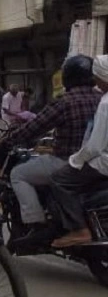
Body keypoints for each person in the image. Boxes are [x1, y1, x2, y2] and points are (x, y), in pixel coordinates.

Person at [0, 55, 100, 244]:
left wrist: (4, 141)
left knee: (18, 174)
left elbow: (33, 127)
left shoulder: (65, 102)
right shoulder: (102, 99)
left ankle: (37, 223)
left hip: (67, 161)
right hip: (96, 163)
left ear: (68, 77)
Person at [49, 55, 108, 247]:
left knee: (59, 179)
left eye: (97, 77)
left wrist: (76, 160)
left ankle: (79, 229)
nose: (96, 82)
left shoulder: (105, 103)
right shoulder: (99, 98)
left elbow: (95, 146)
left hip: (102, 162)